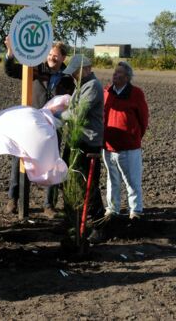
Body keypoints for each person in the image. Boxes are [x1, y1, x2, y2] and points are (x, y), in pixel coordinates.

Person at [3, 36, 75, 217]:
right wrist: (10, 53)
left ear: (63, 58)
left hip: (53, 127)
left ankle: (49, 205)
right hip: (31, 124)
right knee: (20, 159)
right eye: (50, 54)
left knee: (53, 163)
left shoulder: (67, 78)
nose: (52, 57)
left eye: (56, 55)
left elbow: (70, 102)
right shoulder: (34, 69)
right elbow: (11, 71)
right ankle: (13, 198)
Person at [59, 54, 106, 242]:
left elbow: (79, 114)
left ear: (86, 69)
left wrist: (59, 116)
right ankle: (75, 222)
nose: (73, 76)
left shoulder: (93, 86)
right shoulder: (81, 86)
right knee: (71, 182)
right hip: (75, 141)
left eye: (75, 73)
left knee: (89, 186)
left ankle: (98, 225)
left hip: (89, 143)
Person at [102, 61, 149, 219]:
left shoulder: (136, 93)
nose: (115, 74)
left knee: (132, 181)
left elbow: (143, 119)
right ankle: (112, 209)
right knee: (112, 179)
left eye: (119, 72)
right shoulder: (107, 92)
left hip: (129, 147)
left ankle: (135, 211)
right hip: (108, 146)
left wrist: (133, 137)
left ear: (127, 77)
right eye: (115, 72)